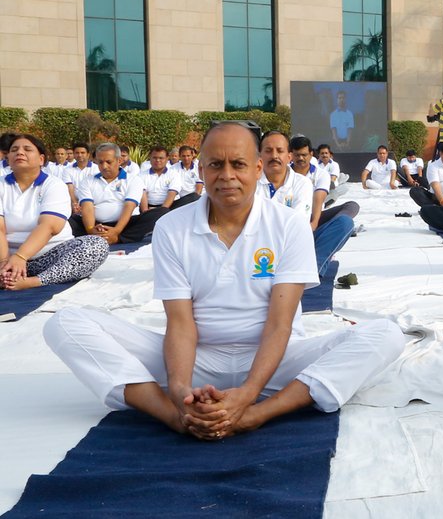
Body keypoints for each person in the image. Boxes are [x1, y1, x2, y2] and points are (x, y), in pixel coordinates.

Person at [44, 122, 409, 439]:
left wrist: (248, 397)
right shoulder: (172, 226)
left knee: (386, 335)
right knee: (65, 323)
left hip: (275, 360)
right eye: (216, 165)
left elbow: (280, 326)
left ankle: (258, 415)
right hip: (198, 357)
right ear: (201, 169)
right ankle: (175, 417)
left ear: (257, 168)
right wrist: (183, 393)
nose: (227, 175)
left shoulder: (288, 224)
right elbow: (181, 324)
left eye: (238, 164)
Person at [1, 134, 109, 291]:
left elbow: (50, 226)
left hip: (50, 256)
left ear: (41, 159)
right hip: (7, 256)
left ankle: (34, 281)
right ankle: (7, 275)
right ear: (8, 158)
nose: (20, 153)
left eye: (27, 149)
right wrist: (4, 262)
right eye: (14, 150)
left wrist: (21, 257)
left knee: (96, 246)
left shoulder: (53, 184)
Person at [283, 135, 357, 277]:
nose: (300, 159)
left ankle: (315, 269)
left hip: (313, 215)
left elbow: (318, 200)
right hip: (290, 222)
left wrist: (314, 223)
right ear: (290, 155)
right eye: (297, 155)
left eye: (304, 155)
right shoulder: (284, 173)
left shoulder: (320, 174)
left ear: (311, 154)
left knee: (348, 215)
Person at [69, 143, 168, 244]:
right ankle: (95, 237)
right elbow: (87, 207)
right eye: (100, 162)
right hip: (96, 224)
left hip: (126, 225)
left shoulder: (133, 180)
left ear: (119, 160)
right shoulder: (87, 181)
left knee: (161, 213)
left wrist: (116, 231)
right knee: (70, 220)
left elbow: (129, 206)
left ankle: (117, 238)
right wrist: (90, 230)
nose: (104, 166)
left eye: (108, 162)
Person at [410, 144, 443, 208]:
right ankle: (436, 208)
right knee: (415, 191)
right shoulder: (433, 166)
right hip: (438, 199)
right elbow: (435, 185)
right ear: (440, 154)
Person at [139, 146, 182, 212]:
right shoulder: (141, 175)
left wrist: (161, 211)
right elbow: (142, 194)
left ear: (167, 159)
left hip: (170, 208)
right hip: (148, 208)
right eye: (154, 158)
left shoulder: (174, 174)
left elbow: (172, 194)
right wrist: (145, 212)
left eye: (161, 158)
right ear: (150, 158)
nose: (157, 160)